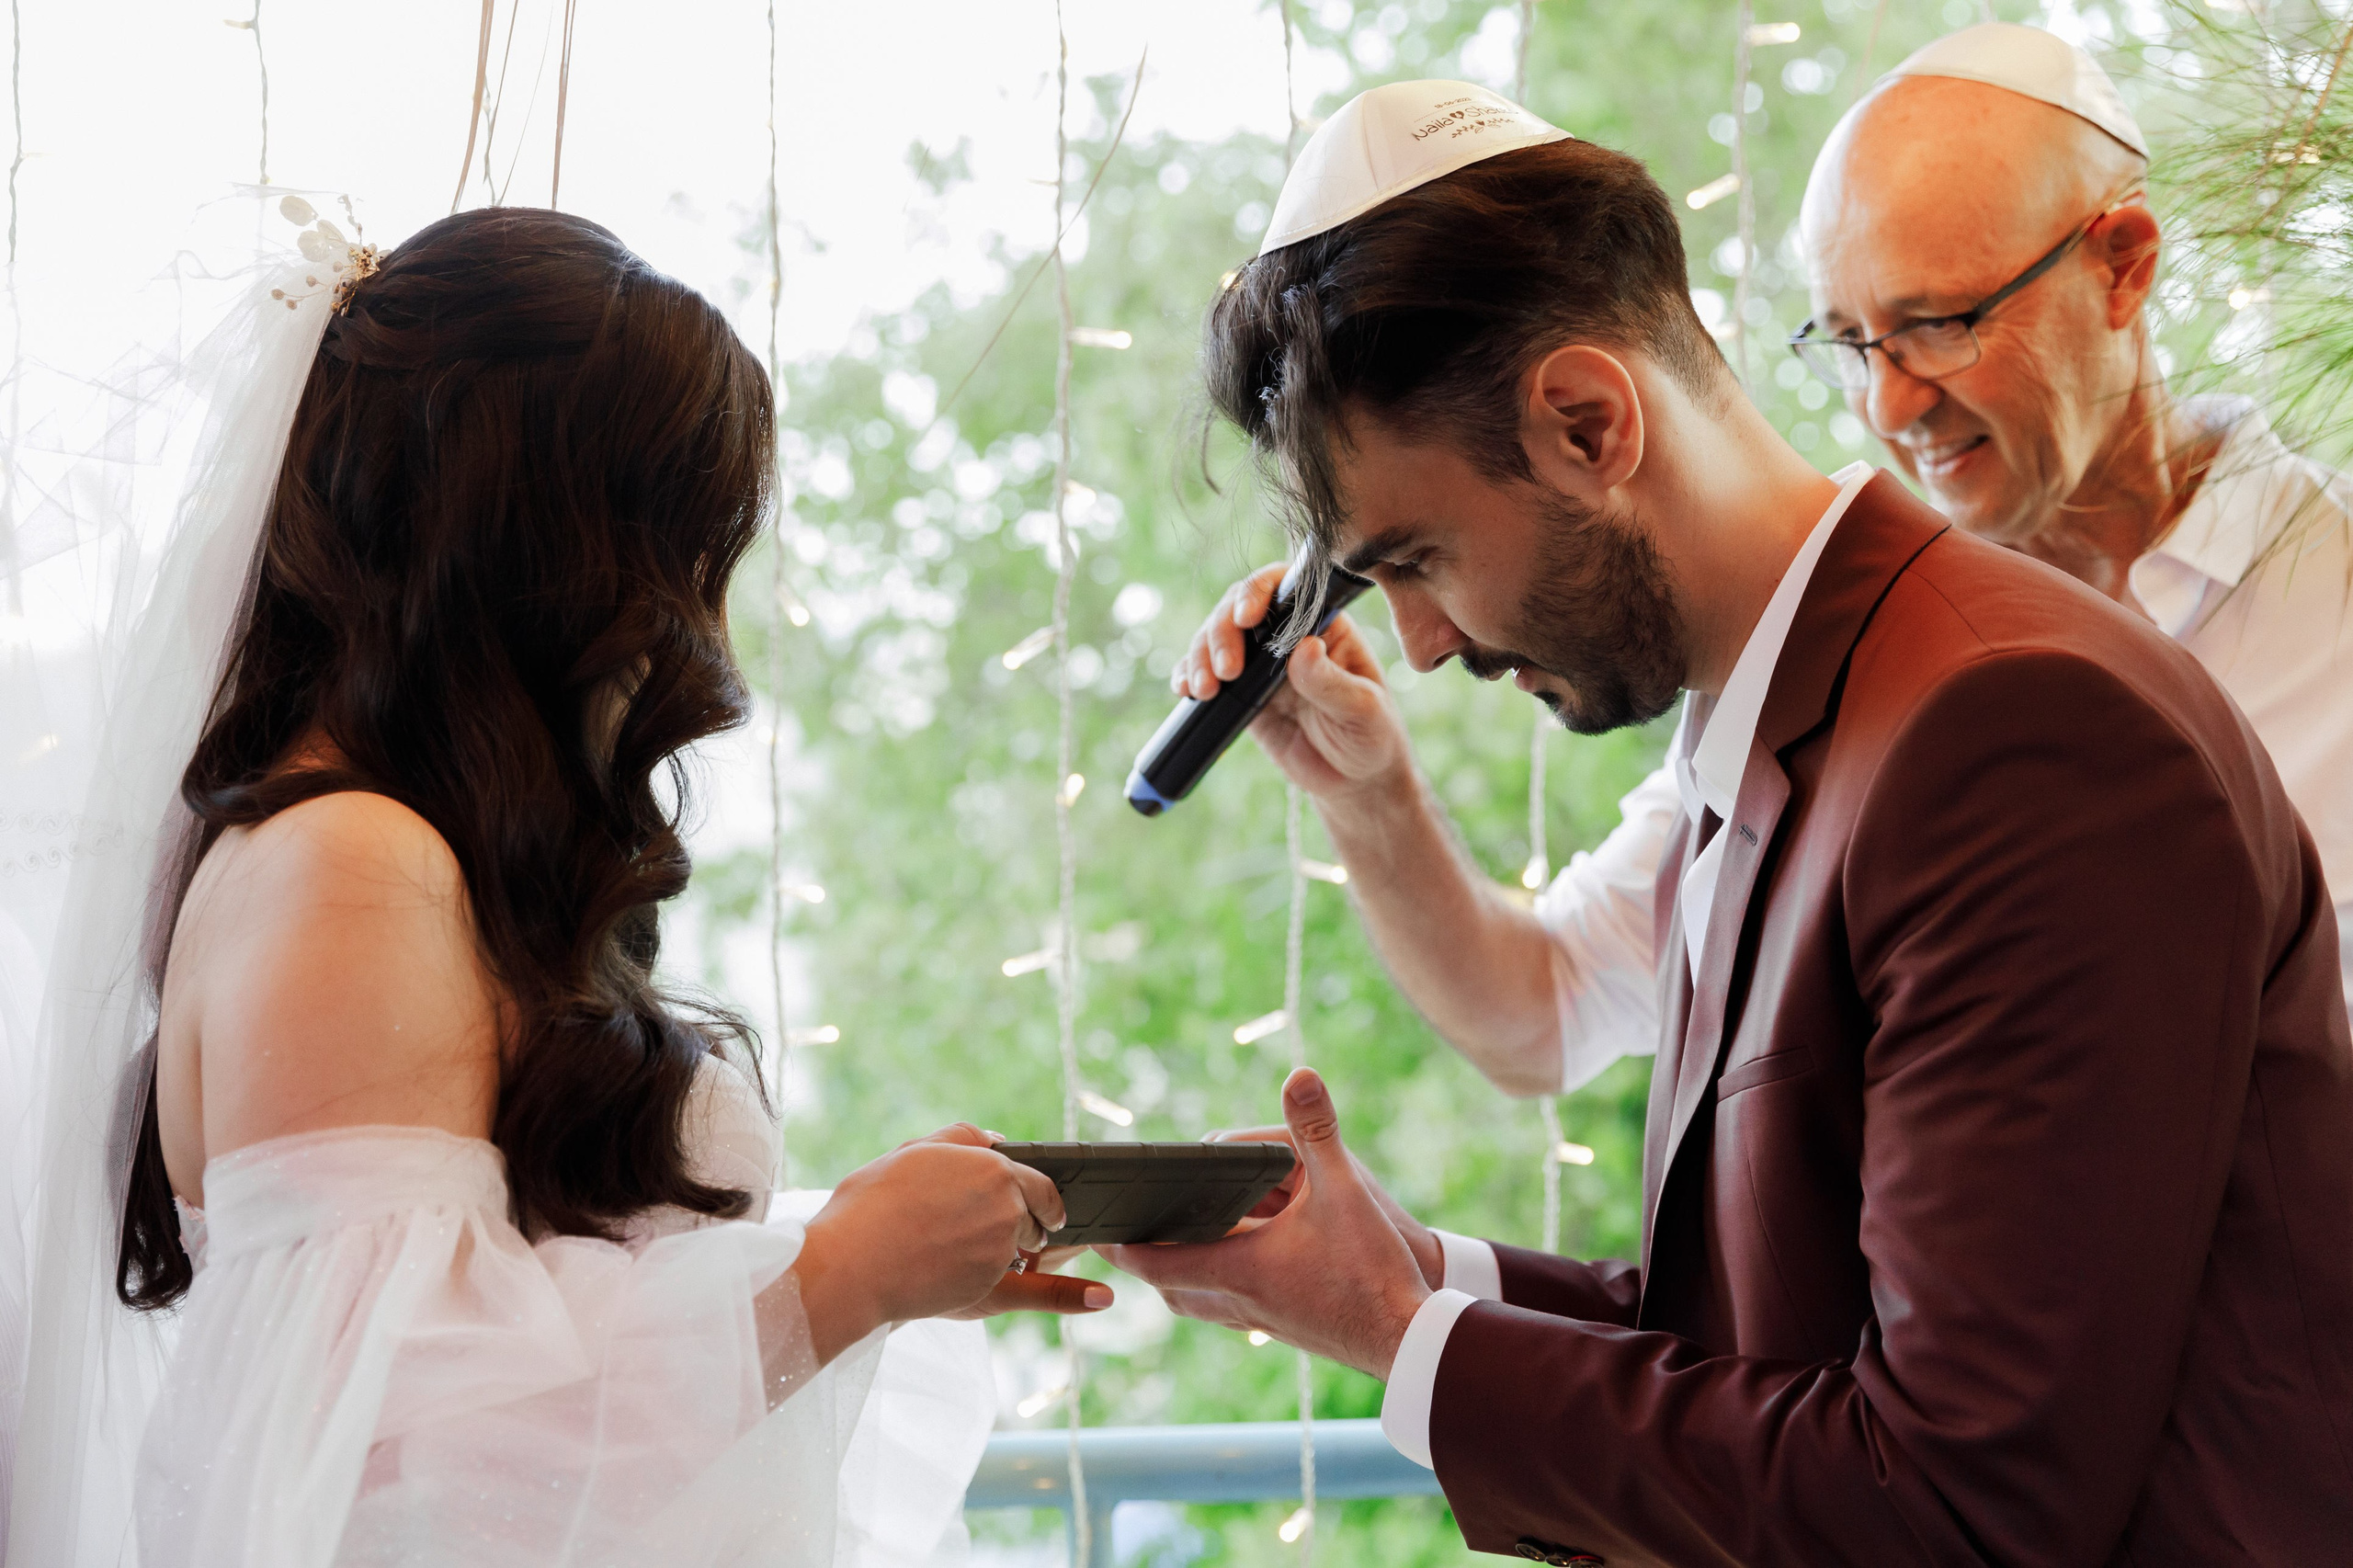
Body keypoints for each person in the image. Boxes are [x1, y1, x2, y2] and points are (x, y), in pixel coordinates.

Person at [1116, 78, 2353, 1563]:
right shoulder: (1773, 725)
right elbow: (1777, 1344)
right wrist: (1406, 1280)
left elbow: (1961, 1506)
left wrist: (1401, 1335)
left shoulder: (2010, 733)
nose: (1426, 645)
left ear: (1589, 423)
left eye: (1423, 557)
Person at [0, 201, 1106, 1567]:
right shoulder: (351, 859)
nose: (688, 623)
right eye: (680, 551)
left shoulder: (367, 843)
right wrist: (841, 1276)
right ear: (560, 540)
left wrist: (876, 1243)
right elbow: (402, 1466)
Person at [1175, 27, 2353, 1109]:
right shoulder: (1825, 662)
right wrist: (1369, 793)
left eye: (1939, 323)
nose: (1891, 405)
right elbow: (1545, 1005)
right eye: (1848, 342)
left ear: (2125, 266)